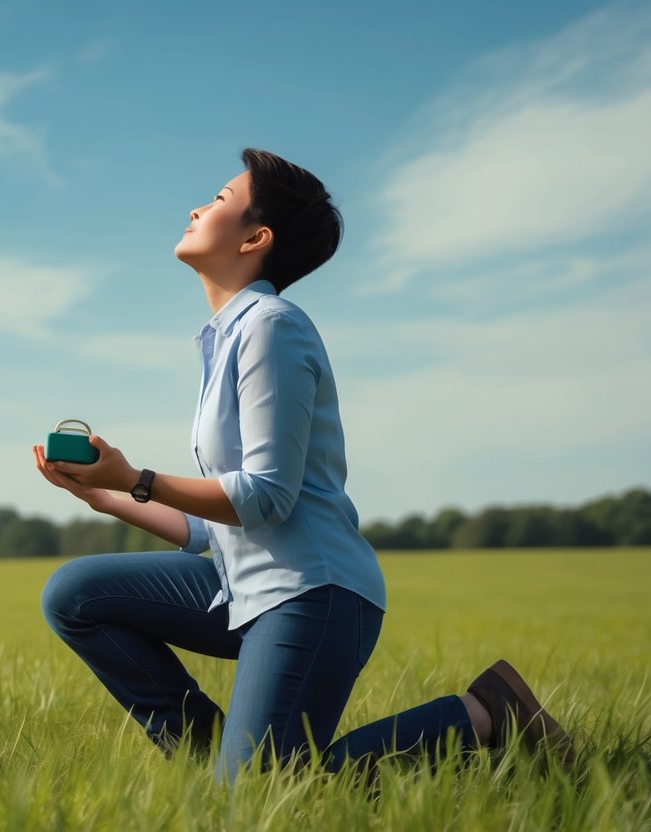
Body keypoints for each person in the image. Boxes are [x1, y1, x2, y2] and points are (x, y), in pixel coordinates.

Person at [32, 148, 571, 784]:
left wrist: (136, 479)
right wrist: (108, 498)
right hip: (247, 585)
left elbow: (264, 498)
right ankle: (219, 765)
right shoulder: (226, 338)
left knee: (264, 797)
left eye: (220, 200)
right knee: (75, 594)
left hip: (313, 593)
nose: (196, 207)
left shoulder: (272, 327)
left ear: (257, 237)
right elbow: (219, 530)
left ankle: (483, 713)